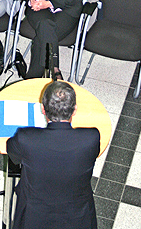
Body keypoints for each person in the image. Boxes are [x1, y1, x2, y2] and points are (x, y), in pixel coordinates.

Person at [7, 81, 100, 229]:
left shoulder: (26, 138)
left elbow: (13, 155)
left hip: (34, 212)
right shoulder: (91, 137)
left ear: (43, 109)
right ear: (74, 110)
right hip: (78, 213)